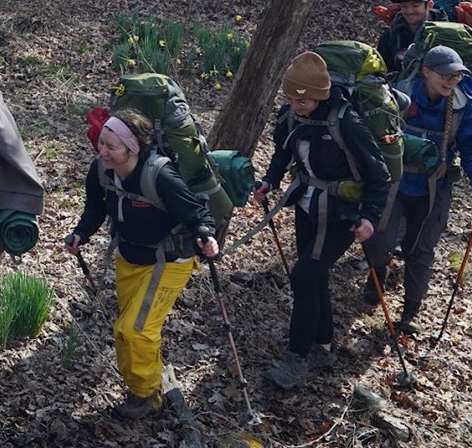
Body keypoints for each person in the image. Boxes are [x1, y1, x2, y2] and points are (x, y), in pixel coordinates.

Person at [66, 108, 219, 421]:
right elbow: (94, 209)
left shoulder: (160, 175)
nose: (102, 151)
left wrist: (206, 235)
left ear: (132, 148)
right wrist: (80, 232)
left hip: (168, 261)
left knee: (136, 330)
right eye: (101, 144)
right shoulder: (101, 171)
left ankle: (147, 394)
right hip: (128, 258)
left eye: (111, 146)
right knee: (123, 332)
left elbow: (198, 215)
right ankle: (138, 385)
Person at [253, 51, 390, 389]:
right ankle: (325, 347)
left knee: (303, 276)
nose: (298, 105)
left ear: (322, 94)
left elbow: (379, 174)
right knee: (313, 277)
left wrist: (370, 217)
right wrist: (270, 179)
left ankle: (296, 358)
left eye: (306, 99)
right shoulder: (290, 116)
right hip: (307, 205)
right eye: (292, 98)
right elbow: (283, 151)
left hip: (344, 212)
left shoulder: (347, 122)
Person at [363, 46, 472, 333]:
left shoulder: (465, 108)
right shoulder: (399, 96)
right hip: (395, 180)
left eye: (457, 75)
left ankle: (410, 312)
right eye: (445, 75)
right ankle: (377, 271)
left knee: (421, 249)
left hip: (435, 185)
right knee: (379, 239)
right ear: (426, 71)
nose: (451, 81)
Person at [378, 0, 447, 75]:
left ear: (429, 5)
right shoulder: (390, 36)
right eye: (404, 6)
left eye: (415, 5)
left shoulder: (446, 33)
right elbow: (382, 70)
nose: (409, 11)